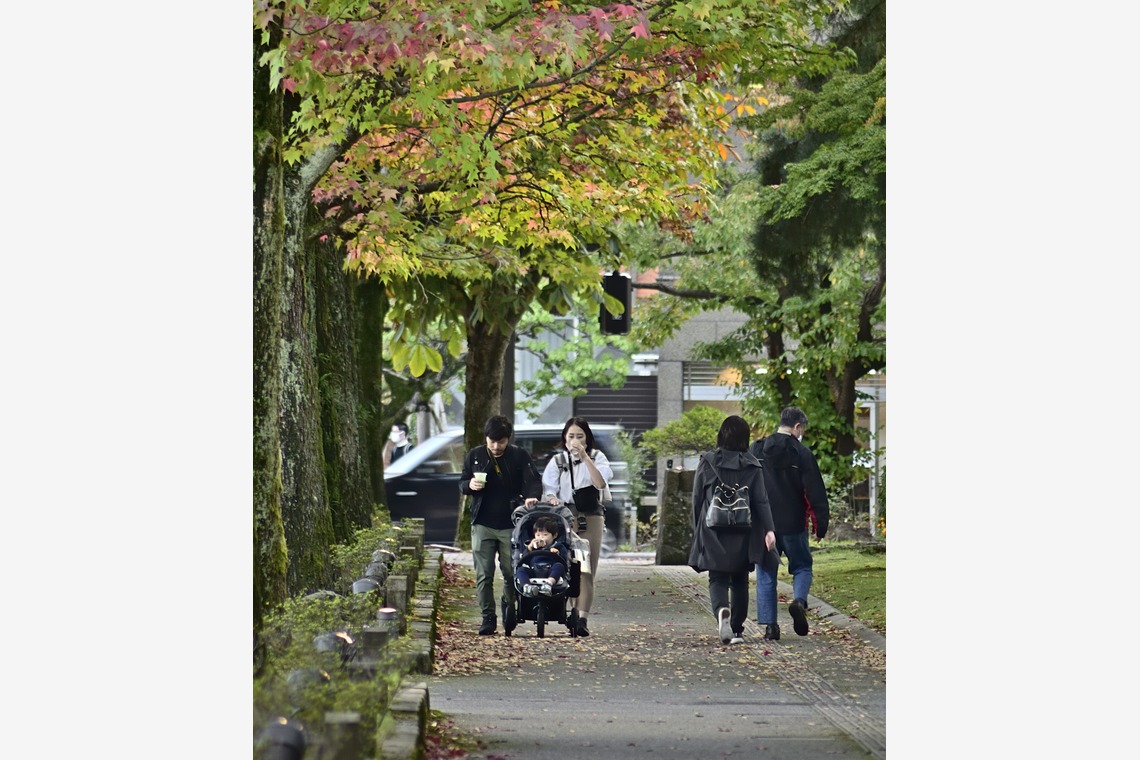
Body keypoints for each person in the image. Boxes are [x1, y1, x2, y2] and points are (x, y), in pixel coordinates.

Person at [688, 415, 777, 645]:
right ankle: (736, 628)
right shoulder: (753, 464)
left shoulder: (707, 461)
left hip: (713, 527)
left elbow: (697, 497)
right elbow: (761, 501)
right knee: (740, 579)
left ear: (721, 435)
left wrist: (697, 525)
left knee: (717, 577)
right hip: (743, 529)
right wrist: (769, 530)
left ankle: (721, 612)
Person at [749, 406, 830, 639]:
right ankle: (799, 601)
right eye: (801, 428)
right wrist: (820, 524)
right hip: (794, 524)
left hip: (766, 526)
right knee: (803, 566)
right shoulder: (802, 453)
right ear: (797, 427)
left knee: (765, 573)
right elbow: (815, 491)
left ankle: (771, 627)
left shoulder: (757, 449)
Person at [460, 415, 541, 635]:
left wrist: (532, 497)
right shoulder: (475, 456)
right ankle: (487, 617)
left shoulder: (518, 455)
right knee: (484, 574)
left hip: (510, 524)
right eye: (492, 441)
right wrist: (470, 485)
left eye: (501, 442)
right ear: (486, 438)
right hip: (482, 523)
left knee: (511, 571)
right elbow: (462, 482)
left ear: (508, 439)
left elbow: (533, 479)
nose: (496, 446)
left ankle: (509, 607)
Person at [541, 416, 613, 637]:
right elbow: (548, 488)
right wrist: (552, 499)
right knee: (568, 566)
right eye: (571, 436)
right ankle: (573, 612)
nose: (575, 440)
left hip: (591, 516)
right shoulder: (558, 461)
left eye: (579, 436)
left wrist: (584, 457)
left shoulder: (597, 457)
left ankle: (582, 618)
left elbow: (600, 483)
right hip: (565, 516)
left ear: (587, 439)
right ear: (564, 438)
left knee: (587, 569)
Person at [514, 514, 570, 595]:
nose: (541, 538)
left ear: (554, 535)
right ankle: (527, 586)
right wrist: (529, 548)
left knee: (559, 566)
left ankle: (548, 584)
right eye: (538, 535)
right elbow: (524, 559)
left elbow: (564, 561)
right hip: (534, 570)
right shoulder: (533, 546)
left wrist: (558, 554)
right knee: (520, 570)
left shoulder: (559, 546)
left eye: (545, 535)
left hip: (551, 572)